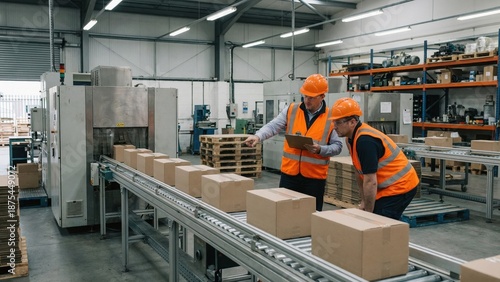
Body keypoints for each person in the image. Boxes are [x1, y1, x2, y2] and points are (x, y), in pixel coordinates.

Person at [244, 74, 343, 211]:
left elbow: (337, 147)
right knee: (285, 213)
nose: (307, 100)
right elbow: (273, 126)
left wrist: (321, 149)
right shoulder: (292, 110)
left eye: (311, 97)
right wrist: (258, 136)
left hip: (314, 179)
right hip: (289, 175)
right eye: (305, 96)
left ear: (322, 96)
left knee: (311, 215)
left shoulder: (331, 117)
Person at [329, 97, 419, 220]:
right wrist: (364, 202)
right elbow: (359, 172)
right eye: (334, 122)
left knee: (380, 221)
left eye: (338, 122)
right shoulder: (350, 139)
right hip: (387, 186)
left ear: (352, 122)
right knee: (375, 218)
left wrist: (369, 215)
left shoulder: (365, 141)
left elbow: (370, 181)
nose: (334, 127)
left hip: (401, 186)